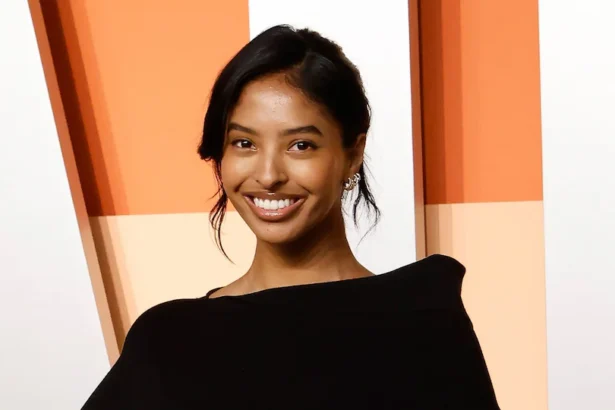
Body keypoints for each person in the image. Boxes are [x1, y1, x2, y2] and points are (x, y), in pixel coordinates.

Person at [81, 24, 500, 409]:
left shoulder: (422, 320)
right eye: (244, 143)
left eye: (300, 145)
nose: (268, 175)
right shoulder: (170, 340)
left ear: (352, 154)